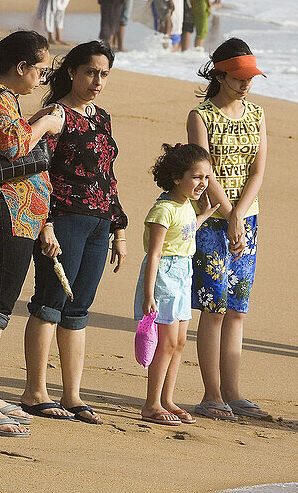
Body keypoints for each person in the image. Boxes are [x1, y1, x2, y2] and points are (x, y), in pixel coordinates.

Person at [0, 31, 63, 438]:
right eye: (40, 69)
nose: (42, 78)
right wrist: (46, 124)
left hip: (11, 213)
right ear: (20, 67)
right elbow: (14, 145)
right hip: (1, 210)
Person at [22, 41, 127, 424]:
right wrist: (45, 222)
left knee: (79, 309)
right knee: (49, 303)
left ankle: (72, 394)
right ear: (72, 72)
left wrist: (119, 228)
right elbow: (37, 168)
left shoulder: (103, 117)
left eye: (104, 74)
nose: (98, 80)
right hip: (63, 220)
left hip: (99, 223)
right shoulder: (55, 114)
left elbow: (107, 176)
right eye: (90, 72)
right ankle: (35, 392)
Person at [187, 39, 270, 421]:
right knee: (214, 307)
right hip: (211, 221)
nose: (245, 84)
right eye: (238, 77)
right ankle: (211, 394)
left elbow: (258, 171)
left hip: (247, 219)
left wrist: (240, 214)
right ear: (219, 73)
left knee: (237, 307)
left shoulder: (257, 113)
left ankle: (233, 392)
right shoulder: (201, 115)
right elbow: (204, 171)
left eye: (250, 77)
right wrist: (229, 213)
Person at [135, 143, 216, 426]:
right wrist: (148, 294)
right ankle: (151, 404)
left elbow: (186, 229)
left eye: (206, 177)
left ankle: (167, 399)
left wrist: (204, 214)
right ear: (176, 178)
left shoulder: (185, 206)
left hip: (183, 275)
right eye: (196, 177)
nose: (202, 183)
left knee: (179, 342)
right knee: (166, 343)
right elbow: (155, 254)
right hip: (165, 277)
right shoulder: (163, 209)